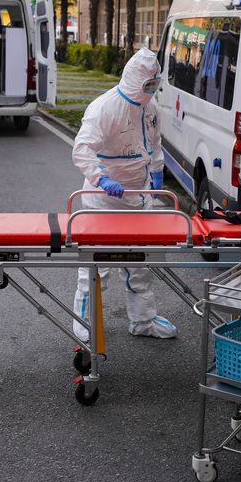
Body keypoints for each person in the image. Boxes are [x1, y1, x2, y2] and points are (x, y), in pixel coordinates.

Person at [70, 48, 177, 342]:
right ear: (134, 80)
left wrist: (156, 172)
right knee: (95, 266)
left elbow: (154, 145)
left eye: (155, 84)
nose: (151, 90)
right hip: (103, 201)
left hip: (138, 198)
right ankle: (85, 321)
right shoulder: (104, 109)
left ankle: (143, 321)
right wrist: (101, 178)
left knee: (139, 264)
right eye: (147, 85)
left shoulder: (151, 109)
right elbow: (82, 149)